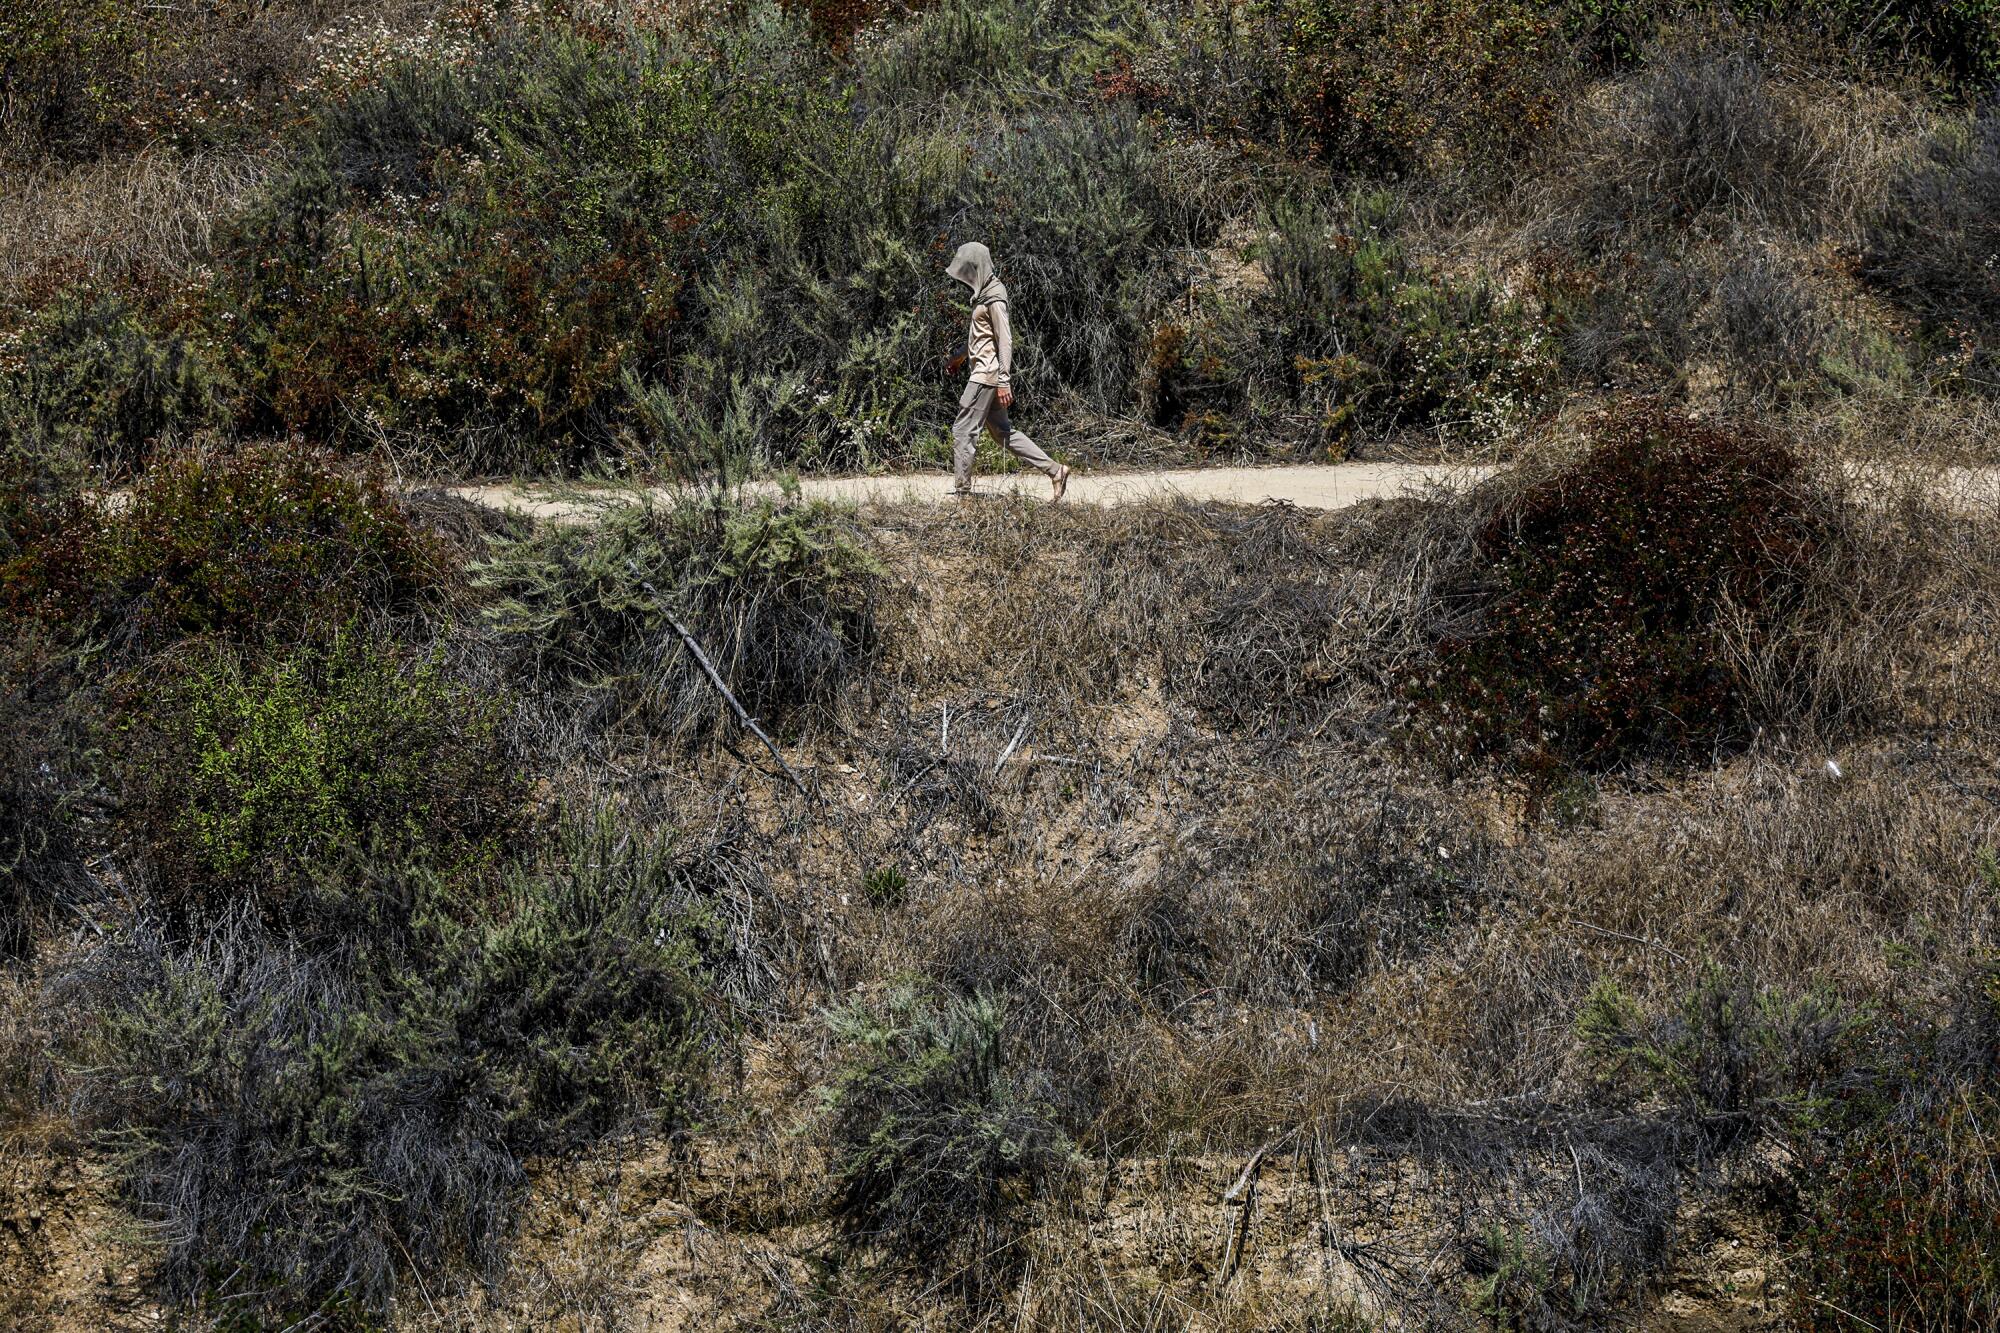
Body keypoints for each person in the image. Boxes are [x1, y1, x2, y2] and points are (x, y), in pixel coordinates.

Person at [946, 242, 1070, 501]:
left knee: (962, 430)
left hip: (986, 375)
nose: (965, 276)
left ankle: (963, 496)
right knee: (1004, 434)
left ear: (978, 267)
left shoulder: (995, 296)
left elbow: (1005, 340)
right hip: (985, 373)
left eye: (969, 269)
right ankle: (1056, 471)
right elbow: (981, 338)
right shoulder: (983, 295)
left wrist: (1004, 380)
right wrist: (958, 358)